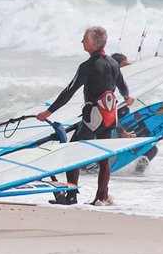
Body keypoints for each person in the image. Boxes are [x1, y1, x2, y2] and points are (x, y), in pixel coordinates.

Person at [37, 26, 133, 206]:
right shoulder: (113, 63)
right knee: (104, 158)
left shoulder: (87, 66)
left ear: (94, 43)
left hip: (94, 117)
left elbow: (68, 91)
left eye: (85, 39)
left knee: (71, 152)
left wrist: (48, 112)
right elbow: (122, 85)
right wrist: (128, 97)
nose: (82, 42)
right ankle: (102, 197)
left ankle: (71, 196)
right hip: (111, 117)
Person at [110, 52, 157, 173]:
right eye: (126, 64)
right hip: (114, 131)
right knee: (151, 149)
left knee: (151, 149)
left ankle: (136, 174)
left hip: (123, 128)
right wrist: (122, 132)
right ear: (117, 67)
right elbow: (109, 114)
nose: (130, 65)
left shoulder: (121, 87)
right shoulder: (112, 89)